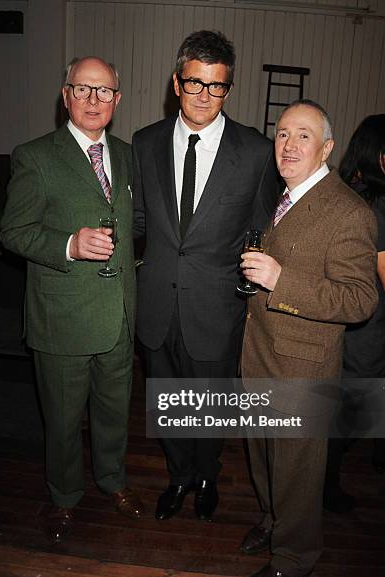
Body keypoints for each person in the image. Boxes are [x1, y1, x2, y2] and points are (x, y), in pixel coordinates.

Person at [132, 30, 278, 522]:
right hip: (156, 305)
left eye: (216, 86)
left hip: (216, 310)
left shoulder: (257, 152)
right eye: (195, 83)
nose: (204, 96)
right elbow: (136, 220)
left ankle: (206, 476)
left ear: (228, 89)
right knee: (169, 405)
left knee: (211, 409)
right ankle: (177, 477)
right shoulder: (145, 142)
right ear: (177, 82)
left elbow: (261, 229)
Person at [0, 56, 143, 544]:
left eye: (104, 91)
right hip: (61, 316)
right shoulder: (35, 155)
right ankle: (63, 497)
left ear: (117, 101)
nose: (93, 100)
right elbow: (12, 232)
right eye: (83, 89)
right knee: (61, 421)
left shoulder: (127, 154)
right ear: (65, 95)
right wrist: (68, 244)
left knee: (113, 412)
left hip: (119, 316)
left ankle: (113, 482)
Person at [239, 99, 378, 577]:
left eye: (303, 135)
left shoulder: (348, 211)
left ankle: (296, 555)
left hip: (302, 368)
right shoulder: (285, 196)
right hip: (260, 355)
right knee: (264, 459)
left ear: (327, 148)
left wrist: (280, 281)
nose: (288, 144)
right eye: (281, 134)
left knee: (296, 468)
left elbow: (360, 300)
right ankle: (273, 521)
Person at [324, 114, 385, 511]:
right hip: (372, 327)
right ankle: (324, 486)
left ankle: (323, 479)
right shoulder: (380, 204)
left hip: (349, 323)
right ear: (383, 154)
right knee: (358, 412)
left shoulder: (347, 188)